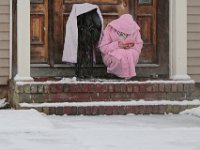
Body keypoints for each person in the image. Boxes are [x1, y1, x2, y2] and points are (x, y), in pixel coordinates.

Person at [99, 14, 143, 79]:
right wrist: (116, 45)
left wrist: (132, 46)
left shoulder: (135, 30)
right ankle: (115, 74)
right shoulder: (110, 29)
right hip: (112, 55)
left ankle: (126, 75)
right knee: (119, 55)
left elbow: (139, 45)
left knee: (130, 54)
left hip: (129, 53)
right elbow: (103, 48)